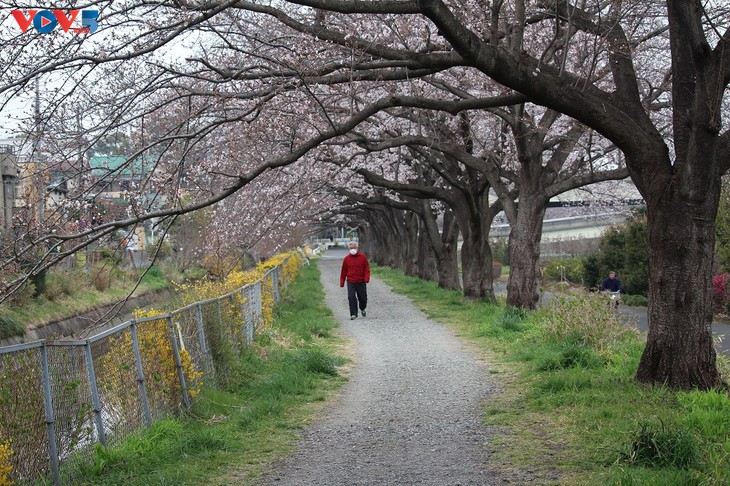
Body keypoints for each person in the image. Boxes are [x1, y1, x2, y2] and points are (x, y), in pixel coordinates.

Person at [340, 241, 370, 320]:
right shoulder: (347, 259)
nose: (352, 249)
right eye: (351, 248)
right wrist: (342, 282)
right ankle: (353, 314)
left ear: (357, 248)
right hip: (351, 281)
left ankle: (362, 308)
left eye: (354, 248)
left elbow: (367, 269)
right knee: (351, 297)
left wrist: (366, 278)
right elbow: (343, 271)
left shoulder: (363, 257)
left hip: (361, 281)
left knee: (363, 298)